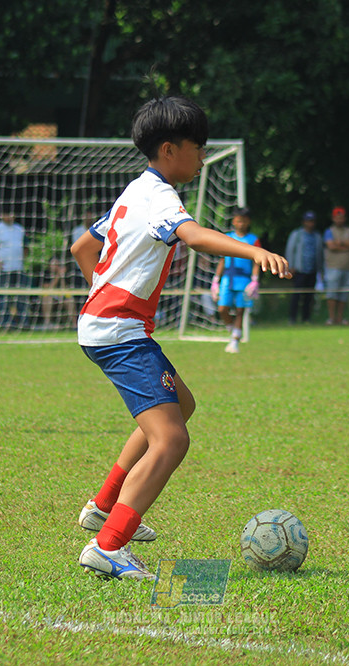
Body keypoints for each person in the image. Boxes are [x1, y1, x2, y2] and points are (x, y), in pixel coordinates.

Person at [70, 96, 290, 580]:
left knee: (181, 406)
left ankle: (106, 506)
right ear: (169, 149)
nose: (203, 156)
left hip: (108, 324)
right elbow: (192, 236)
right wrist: (253, 252)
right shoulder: (161, 199)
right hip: (119, 331)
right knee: (172, 440)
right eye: (198, 146)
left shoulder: (134, 192)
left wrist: (100, 292)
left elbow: (82, 245)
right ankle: (109, 546)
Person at [210, 206, 261, 353]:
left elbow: (256, 261)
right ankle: (233, 330)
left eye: (244, 221)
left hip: (244, 279)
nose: (241, 224)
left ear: (248, 222)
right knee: (222, 308)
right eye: (238, 221)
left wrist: (255, 280)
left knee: (240, 310)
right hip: (228, 277)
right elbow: (221, 259)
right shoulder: (227, 237)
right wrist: (216, 280)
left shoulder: (253, 240)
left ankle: (234, 341)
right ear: (233, 221)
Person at [322, 206, 349, 325]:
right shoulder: (329, 231)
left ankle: (340, 318)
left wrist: (341, 243)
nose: (340, 220)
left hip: (347, 267)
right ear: (333, 218)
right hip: (333, 267)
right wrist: (347, 247)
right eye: (337, 217)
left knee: (344, 294)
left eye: (342, 217)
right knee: (332, 293)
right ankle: (331, 318)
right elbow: (331, 246)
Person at [284, 210, 323, 324]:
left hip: (312, 270)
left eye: (312, 221)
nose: (310, 223)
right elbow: (290, 250)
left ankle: (306, 318)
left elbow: (320, 254)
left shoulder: (317, 236)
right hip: (299, 270)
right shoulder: (296, 234)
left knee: (309, 296)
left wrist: (320, 270)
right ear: (304, 222)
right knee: (296, 295)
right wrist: (290, 266)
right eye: (308, 221)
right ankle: (292, 318)